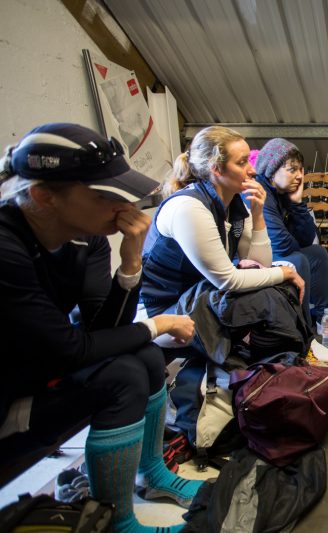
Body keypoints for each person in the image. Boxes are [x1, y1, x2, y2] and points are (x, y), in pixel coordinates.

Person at [0, 123, 202, 532]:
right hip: (8, 399)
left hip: (39, 370)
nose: (122, 205)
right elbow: (71, 349)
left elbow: (102, 328)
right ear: (43, 197)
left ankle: (153, 475)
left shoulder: (84, 238)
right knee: (122, 376)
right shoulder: (6, 247)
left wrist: (130, 263)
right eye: (104, 196)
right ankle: (117, 521)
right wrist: (158, 323)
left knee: (142, 355)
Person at [139, 126, 304, 325]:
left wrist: (258, 213)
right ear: (215, 168)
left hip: (200, 296)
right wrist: (283, 273)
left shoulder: (235, 204)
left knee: (275, 288)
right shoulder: (188, 207)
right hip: (163, 312)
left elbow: (258, 265)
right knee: (267, 297)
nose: (252, 170)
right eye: (242, 162)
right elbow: (228, 280)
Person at [253, 138, 328, 338]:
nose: (299, 177)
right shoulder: (260, 194)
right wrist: (291, 239)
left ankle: (323, 319)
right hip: (252, 261)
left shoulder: (283, 195)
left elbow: (307, 238)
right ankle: (302, 330)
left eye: (300, 170)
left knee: (318, 253)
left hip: (273, 253)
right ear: (271, 170)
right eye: (291, 170)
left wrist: (296, 203)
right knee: (298, 259)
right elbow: (281, 245)